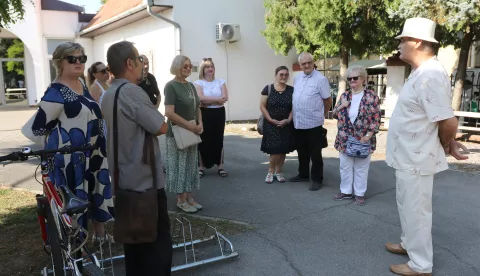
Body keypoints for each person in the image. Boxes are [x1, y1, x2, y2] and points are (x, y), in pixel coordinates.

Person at [385, 18, 468, 276]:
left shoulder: (430, 74)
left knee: (417, 210)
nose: (399, 44)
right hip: (408, 156)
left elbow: (448, 120)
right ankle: (409, 244)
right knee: (406, 204)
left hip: (417, 158)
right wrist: (448, 140)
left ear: (417, 42)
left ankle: (421, 266)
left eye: (403, 39)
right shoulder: (421, 72)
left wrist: (447, 144)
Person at [25, 42, 114, 243]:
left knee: (95, 189)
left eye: (82, 58)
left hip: (94, 151)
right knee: (76, 197)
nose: (78, 62)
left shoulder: (81, 84)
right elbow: (39, 128)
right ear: (59, 62)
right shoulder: (56, 91)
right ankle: (78, 243)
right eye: (72, 58)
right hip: (71, 156)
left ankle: (100, 234)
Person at [101, 41, 172, 276]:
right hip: (145, 184)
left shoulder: (109, 92)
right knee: (156, 249)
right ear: (129, 63)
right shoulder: (131, 91)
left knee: (134, 248)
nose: (143, 64)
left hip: (123, 181)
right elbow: (160, 126)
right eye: (139, 59)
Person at [331, 65, 381, 205]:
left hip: (363, 137)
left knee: (361, 167)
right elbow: (334, 113)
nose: (352, 80)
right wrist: (342, 106)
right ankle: (346, 191)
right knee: (345, 166)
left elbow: (376, 118)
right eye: (349, 78)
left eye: (355, 78)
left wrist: (369, 135)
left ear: (363, 79)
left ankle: (359, 193)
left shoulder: (371, 96)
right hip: (345, 138)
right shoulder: (345, 96)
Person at [164, 55, 203, 213]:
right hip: (177, 133)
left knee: (190, 166)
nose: (188, 68)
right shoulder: (171, 86)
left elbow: (197, 107)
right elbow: (169, 113)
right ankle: (181, 199)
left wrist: (200, 124)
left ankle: (189, 196)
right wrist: (190, 126)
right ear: (177, 67)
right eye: (184, 66)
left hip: (191, 130)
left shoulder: (191, 86)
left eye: (189, 66)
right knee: (179, 167)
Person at [290, 52, 332, 191]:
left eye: (309, 62)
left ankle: (317, 179)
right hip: (299, 122)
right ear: (300, 65)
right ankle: (303, 174)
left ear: (313, 63)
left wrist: (322, 114)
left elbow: (328, 100)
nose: (307, 65)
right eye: (304, 63)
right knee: (301, 150)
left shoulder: (321, 79)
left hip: (314, 123)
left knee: (315, 153)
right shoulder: (297, 78)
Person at [193, 58, 228, 178]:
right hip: (204, 113)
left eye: (212, 66)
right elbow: (201, 99)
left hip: (219, 113)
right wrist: (217, 100)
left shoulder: (220, 82)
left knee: (218, 139)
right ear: (203, 69)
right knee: (203, 139)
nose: (210, 69)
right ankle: (201, 167)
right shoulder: (198, 83)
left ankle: (220, 166)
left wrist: (209, 101)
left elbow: (225, 98)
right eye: (207, 67)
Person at [259, 65, 295, 183]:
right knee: (275, 149)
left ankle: (278, 171)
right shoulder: (268, 89)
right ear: (276, 75)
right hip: (271, 124)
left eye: (286, 75)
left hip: (286, 124)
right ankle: (270, 171)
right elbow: (262, 107)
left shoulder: (291, 90)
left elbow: (294, 108)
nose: (284, 77)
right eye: (281, 74)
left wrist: (288, 120)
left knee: (283, 149)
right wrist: (270, 119)